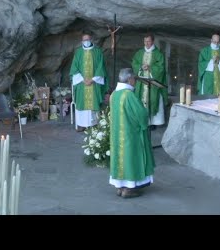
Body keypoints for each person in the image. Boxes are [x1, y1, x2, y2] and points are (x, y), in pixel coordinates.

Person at [109, 68, 155, 198]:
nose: (134, 81)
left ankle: (120, 187)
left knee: (120, 158)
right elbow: (140, 114)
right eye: (134, 79)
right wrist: (144, 121)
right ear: (129, 79)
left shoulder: (115, 94)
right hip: (131, 134)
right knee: (131, 158)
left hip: (117, 135)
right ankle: (129, 189)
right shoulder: (129, 95)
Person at [69, 30, 108, 132]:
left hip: (94, 83)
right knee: (81, 103)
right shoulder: (78, 53)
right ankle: (81, 124)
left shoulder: (98, 52)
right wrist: (82, 80)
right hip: (81, 84)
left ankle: (93, 124)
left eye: (87, 39)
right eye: (84, 40)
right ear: (81, 41)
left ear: (91, 39)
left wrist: (93, 79)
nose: (86, 41)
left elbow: (101, 67)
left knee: (93, 103)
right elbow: (74, 68)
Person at [131, 33, 168, 130]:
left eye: (149, 41)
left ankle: (153, 122)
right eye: (145, 41)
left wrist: (150, 68)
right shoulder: (139, 53)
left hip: (153, 83)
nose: (147, 43)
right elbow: (134, 63)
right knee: (141, 101)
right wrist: (140, 67)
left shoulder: (158, 54)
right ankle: (142, 121)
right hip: (141, 82)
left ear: (152, 41)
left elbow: (161, 68)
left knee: (153, 100)